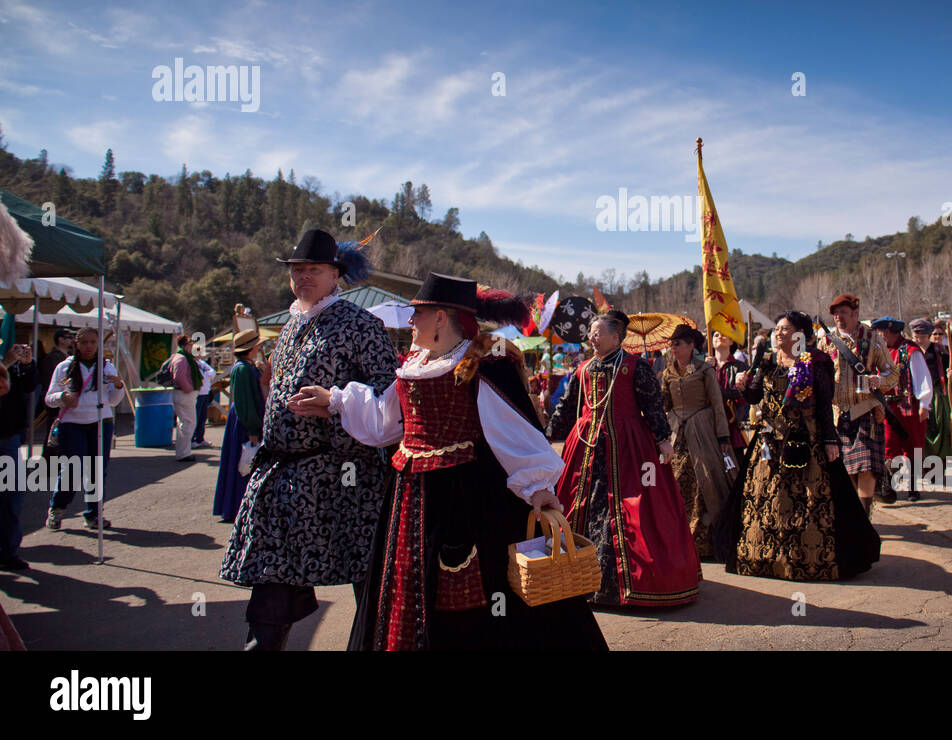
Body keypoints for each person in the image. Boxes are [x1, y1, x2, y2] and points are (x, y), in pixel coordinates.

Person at [290, 272, 607, 651]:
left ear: (441, 317)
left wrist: (537, 485)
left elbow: (512, 428)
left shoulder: (484, 362)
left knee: (477, 595)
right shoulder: (415, 365)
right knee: (409, 588)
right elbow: (383, 422)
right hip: (409, 500)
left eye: (417, 314)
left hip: (469, 497)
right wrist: (336, 399)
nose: (410, 322)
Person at [219, 228, 400, 650]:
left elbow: (391, 399)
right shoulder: (288, 328)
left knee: (370, 585)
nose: (303, 277)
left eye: (313, 270)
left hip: (344, 481)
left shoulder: (361, 325)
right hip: (283, 480)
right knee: (271, 586)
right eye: (297, 270)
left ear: (335, 274)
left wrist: (336, 404)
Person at [548, 310, 700, 607]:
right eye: (591, 332)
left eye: (598, 332)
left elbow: (652, 404)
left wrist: (662, 440)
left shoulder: (635, 367)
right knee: (581, 504)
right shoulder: (583, 369)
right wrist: (546, 435)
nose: (592, 337)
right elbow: (567, 408)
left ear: (616, 338)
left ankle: (631, 583)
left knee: (633, 508)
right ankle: (572, 579)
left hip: (628, 447)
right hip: (586, 446)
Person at [717, 311, 879, 580]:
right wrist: (743, 386)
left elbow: (825, 404)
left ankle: (803, 561)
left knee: (809, 502)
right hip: (768, 442)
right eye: (777, 329)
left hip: (806, 438)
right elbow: (755, 395)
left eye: (785, 329)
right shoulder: (767, 360)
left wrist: (829, 440)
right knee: (765, 501)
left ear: (800, 334)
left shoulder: (816, 362)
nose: (778, 333)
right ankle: (764, 558)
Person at [817, 292, 899, 516]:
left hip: (865, 411)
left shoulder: (873, 339)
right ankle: (853, 516)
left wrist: (879, 381)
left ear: (855, 313)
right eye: (835, 314)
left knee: (866, 468)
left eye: (843, 313)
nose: (838, 318)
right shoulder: (824, 341)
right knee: (845, 471)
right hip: (836, 414)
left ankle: (864, 515)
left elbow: (892, 372)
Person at [661, 324, 737, 559]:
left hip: (702, 431)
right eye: (672, 344)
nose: (674, 348)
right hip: (676, 432)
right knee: (674, 481)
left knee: (706, 481)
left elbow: (717, 405)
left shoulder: (705, 370)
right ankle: (677, 539)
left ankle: (705, 540)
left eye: (678, 344)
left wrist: (722, 436)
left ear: (691, 345)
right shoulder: (667, 373)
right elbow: (665, 406)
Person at [44, 328, 125, 530]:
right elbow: (49, 397)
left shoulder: (106, 367)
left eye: (92, 342)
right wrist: (63, 398)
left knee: (97, 471)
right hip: (72, 424)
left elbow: (113, 401)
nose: (89, 347)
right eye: (84, 343)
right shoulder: (64, 368)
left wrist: (117, 386)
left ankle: (93, 513)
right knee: (72, 469)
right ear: (76, 344)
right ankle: (58, 507)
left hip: (100, 422)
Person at [874, 317, 933, 502]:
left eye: (881, 332)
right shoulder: (881, 352)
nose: (878, 335)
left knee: (913, 446)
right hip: (888, 408)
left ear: (890, 331)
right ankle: (889, 487)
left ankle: (914, 488)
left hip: (909, 408)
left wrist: (924, 403)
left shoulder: (910, 351)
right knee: (890, 446)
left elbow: (922, 378)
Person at [213, 329, 264, 523]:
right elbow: (245, 401)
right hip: (244, 419)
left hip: (245, 417)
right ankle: (236, 505)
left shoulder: (246, 366)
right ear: (252, 347)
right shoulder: (242, 369)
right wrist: (252, 428)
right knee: (242, 462)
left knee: (243, 462)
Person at [0, 343, 35, 570]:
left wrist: (28, 364)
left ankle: (8, 551)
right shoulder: (7, 361)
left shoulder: (12, 362)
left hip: (8, 435)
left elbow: (29, 387)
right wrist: (7, 364)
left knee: (11, 496)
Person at [912, 319, 952, 471]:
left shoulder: (941, 351)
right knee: (921, 430)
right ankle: (922, 464)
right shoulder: (909, 351)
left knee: (939, 427)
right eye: (916, 336)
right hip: (916, 395)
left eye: (922, 335)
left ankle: (938, 463)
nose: (919, 339)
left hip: (937, 395)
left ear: (928, 335)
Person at [167, 335, 204, 463]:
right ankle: (183, 453)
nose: (191, 347)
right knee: (188, 423)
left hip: (184, 394)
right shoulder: (181, 359)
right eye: (189, 345)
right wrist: (188, 389)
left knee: (185, 423)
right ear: (184, 345)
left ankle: (183, 451)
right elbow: (179, 377)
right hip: (184, 394)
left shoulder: (185, 358)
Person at [711, 329, 749, 451]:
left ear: (731, 341)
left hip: (732, 422)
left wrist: (718, 394)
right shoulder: (704, 367)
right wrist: (705, 370)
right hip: (710, 422)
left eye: (723, 334)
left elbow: (742, 393)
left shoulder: (740, 366)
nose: (719, 337)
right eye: (716, 335)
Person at [192, 353, 217, 449]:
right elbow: (200, 375)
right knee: (196, 417)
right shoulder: (193, 363)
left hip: (205, 392)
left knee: (202, 417)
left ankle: (200, 438)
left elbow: (213, 372)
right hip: (197, 393)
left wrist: (206, 374)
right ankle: (192, 439)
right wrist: (207, 374)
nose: (199, 354)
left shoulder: (202, 363)